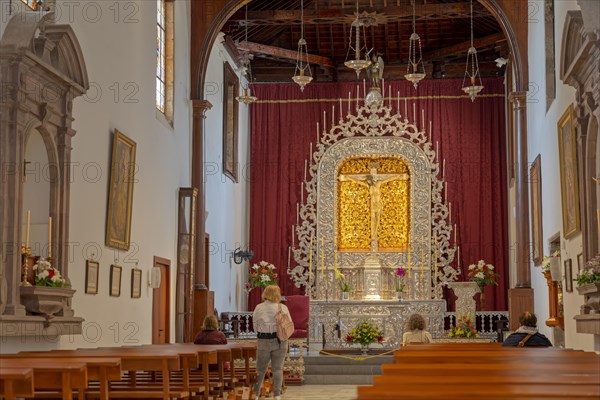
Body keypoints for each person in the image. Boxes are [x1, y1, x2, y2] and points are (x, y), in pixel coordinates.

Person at [252, 285, 291, 400]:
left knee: (260, 369)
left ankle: (256, 394)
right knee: (277, 368)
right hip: (280, 340)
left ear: (265, 294)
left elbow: (255, 325)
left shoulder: (258, 307)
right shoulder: (282, 307)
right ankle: (277, 394)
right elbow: (289, 325)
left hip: (263, 340)